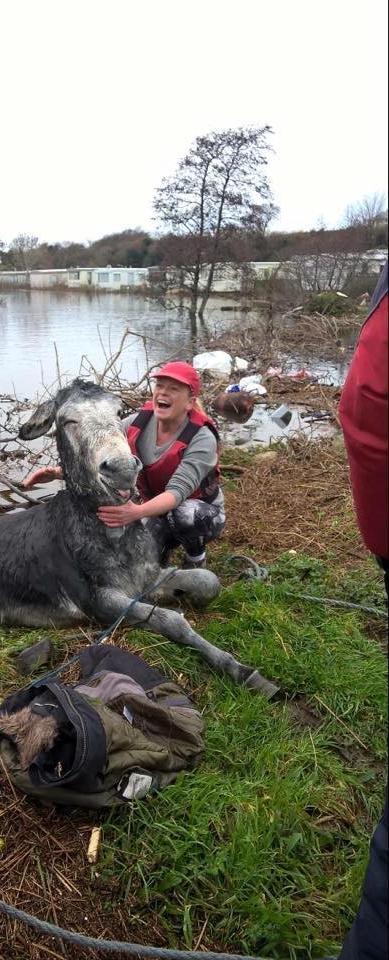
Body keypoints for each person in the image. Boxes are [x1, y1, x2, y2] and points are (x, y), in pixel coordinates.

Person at [23, 361, 225, 568]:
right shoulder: (137, 422)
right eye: (159, 386)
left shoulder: (202, 438)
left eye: (173, 389)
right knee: (139, 557)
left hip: (198, 510)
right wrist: (59, 473)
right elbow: (105, 456)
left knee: (186, 516)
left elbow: (177, 492)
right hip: (152, 507)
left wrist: (136, 513)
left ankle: (195, 557)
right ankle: (162, 547)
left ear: (190, 402)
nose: (163, 393)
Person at [337, 261, 388, 960]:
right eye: (155, 388)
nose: (159, 398)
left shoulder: (199, 435)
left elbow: (371, 398)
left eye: (171, 389)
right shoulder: (141, 426)